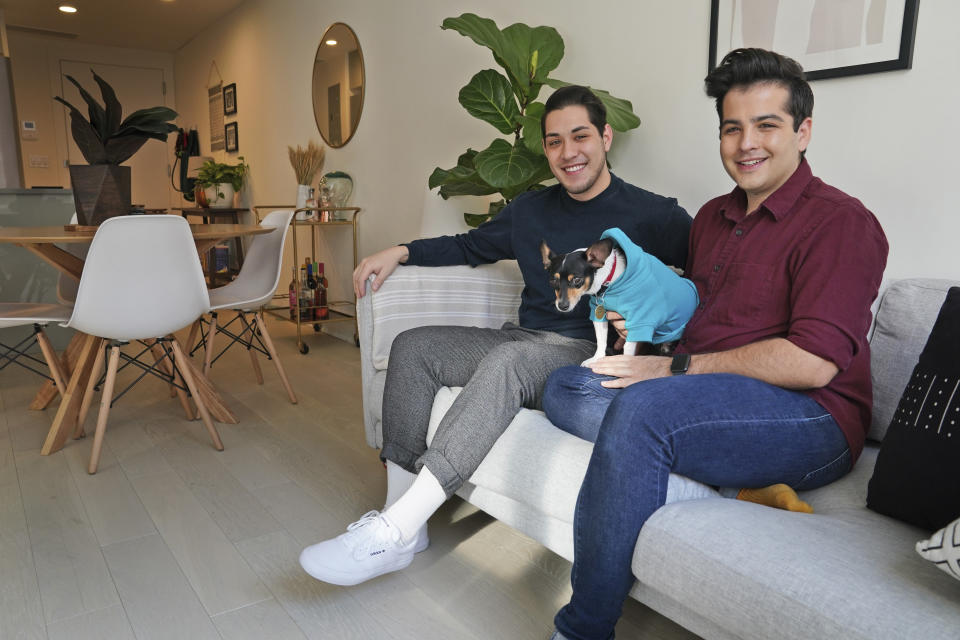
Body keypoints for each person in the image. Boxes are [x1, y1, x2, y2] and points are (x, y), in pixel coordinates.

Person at [544, 48, 888, 640]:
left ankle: (582, 628)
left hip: (812, 419)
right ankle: (735, 477)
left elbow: (812, 362)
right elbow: (694, 311)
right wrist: (647, 330)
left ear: (803, 132)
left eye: (767, 125)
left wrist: (672, 370)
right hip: (707, 396)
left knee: (641, 409)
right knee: (565, 384)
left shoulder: (842, 222)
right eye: (733, 128)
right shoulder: (710, 217)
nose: (746, 143)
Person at [298, 85, 693, 586]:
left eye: (580, 136)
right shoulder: (531, 210)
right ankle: (401, 517)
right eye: (554, 142)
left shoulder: (653, 214)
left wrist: (656, 324)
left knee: (504, 365)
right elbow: (470, 245)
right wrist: (399, 250)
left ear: (606, 136)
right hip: (521, 334)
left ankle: (394, 531)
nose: (568, 153)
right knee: (413, 345)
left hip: (578, 351)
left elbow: (704, 278)